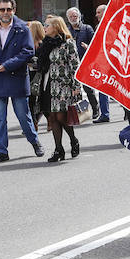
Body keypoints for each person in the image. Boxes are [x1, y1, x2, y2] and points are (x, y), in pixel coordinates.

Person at [0, 0, 44, 163]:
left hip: (16, 77)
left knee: (23, 116)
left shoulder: (23, 28)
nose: (5, 13)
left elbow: (28, 51)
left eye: (8, 9)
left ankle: (34, 141)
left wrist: (7, 65)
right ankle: (2, 151)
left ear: (13, 10)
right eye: (2, 10)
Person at [39, 16, 82, 163]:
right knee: (52, 117)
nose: (44, 27)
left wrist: (77, 86)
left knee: (61, 117)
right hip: (48, 84)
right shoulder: (46, 43)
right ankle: (59, 149)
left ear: (56, 27)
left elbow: (76, 66)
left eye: (47, 25)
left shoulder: (68, 43)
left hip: (64, 85)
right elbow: (43, 63)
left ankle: (73, 140)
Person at [66, 7, 100, 120]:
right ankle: (80, 113)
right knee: (74, 90)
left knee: (88, 89)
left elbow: (96, 45)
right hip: (71, 65)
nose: (73, 18)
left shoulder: (87, 28)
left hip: (85, 63)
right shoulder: (66, 30)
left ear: (79, 17)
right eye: (70, 16)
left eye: (75, 16)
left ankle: (95, 109)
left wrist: (88, 47)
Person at [94, 4, 111, 123]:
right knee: (102, 87)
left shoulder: (112, 25)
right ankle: (104, 114)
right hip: (102, 61)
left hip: (113, 60)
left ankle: (128, 111)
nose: (96, 15)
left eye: (99, 12)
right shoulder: (98, 26)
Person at [27, 20, 46, 132]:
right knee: (40, 99)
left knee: (32, 100)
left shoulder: (34, 44)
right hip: (40, 74)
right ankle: (38, 121)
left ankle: (34, 122)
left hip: (33, 74)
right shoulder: (43, 43)